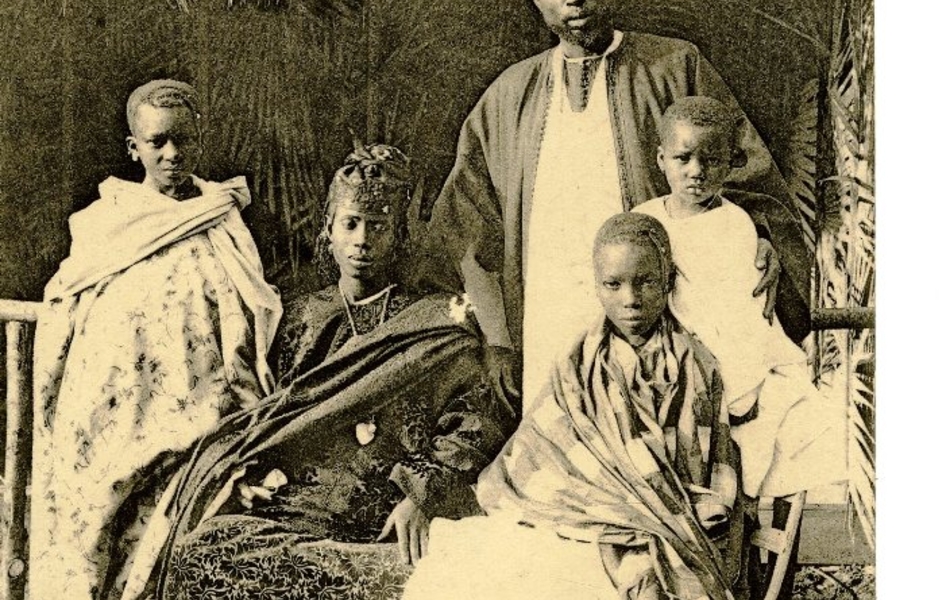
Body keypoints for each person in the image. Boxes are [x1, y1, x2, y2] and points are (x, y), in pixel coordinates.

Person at [142, 145, 516, 600]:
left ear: (399, 236)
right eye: (351, 224)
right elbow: (275, 419)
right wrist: (251, 477)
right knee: (199, 551)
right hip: (300, 505)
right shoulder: (302, 318)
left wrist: (421, 495)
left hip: (384, 512)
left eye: (378, 227)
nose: (362, 239)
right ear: (329, 232)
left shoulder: (438, 320)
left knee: (409, 572)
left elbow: (477, 417)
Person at [419, 0, 812, 406]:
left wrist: (758, 237)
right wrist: (498, 340)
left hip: (661, 316)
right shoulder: (508, 96)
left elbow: (743, 174)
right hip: (547, 317)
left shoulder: (675, 66)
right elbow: (466, 228)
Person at [403, 212, 745, 600]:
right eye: (613, 285)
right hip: (585, 511)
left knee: (646, 583)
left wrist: (645, 503)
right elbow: (545, 445)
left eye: (646, 282)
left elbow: (699, 457)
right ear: (597, 286)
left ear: (667, 280)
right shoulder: (577, 362)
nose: (630, 299)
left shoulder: (695, 362)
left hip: (665, 514)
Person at [29, 80, 282, 600]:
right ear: (134, 148)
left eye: (183, 140)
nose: (172, 154)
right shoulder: (110, 221)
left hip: (202, 410)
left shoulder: (221, 215)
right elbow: (67, 295)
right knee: (93, 521)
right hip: (114, 411)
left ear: (199, 140)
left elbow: (250, 305)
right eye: (157, 142)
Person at [633, 96, 846, 496]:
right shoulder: (646, 218)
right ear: (661, 159)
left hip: (719, 359)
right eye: (683, 159)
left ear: (733, 162)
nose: (696, 171)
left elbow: (741, 314)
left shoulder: (735, 226)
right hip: (661, 353)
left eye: (712, 160)